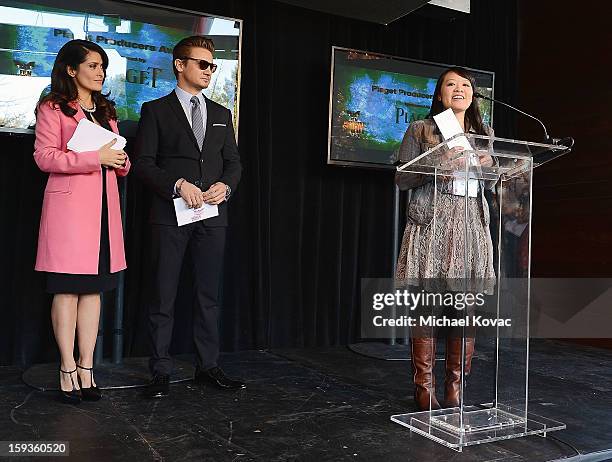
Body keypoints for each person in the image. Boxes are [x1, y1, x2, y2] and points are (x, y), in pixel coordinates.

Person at [133, 36, 243, 399]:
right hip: (169, 215)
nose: (209, 71)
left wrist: (225, 187)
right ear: (180, 64)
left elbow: (233, 163)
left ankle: (207, 366)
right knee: (163, 294)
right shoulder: (155, 110)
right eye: (203, 64)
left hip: (212, 217)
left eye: (213, 66)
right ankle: (160, 370)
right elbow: (144, 164)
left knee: (208, 295)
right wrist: (177, 184)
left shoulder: (222, 114)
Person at [33, 39, 130, 404]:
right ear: (71, 70)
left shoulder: (105, 109)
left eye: (102, 66)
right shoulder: (52, 107)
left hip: (105, 212)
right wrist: (95, 157)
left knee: (94, 290)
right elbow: (44, 157)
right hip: (70, 214)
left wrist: (120, 161)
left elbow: (119, 156)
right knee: (68, 289)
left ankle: (88, 368)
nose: (100, 72)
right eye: (93, 65)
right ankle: (67, 367)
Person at [395, 67, 495, 411]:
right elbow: (402, 178)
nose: (459, 89)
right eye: (450, 84)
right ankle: (424, 390)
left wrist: (488, 166)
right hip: (433, 223)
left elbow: (494, 182)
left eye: (466, 85)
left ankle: (455, 389)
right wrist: (439, 160)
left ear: (473, 95)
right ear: (439, 94)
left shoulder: (485, 133)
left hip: (470, 225)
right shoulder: (421, 129)